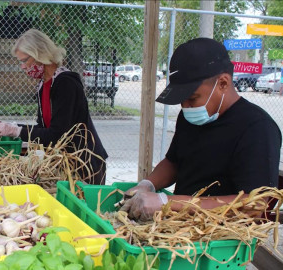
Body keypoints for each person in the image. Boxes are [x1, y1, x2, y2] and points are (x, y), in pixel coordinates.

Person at [121, 38, 282, 221]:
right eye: (181, 100)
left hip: (221, 238)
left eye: (192, 98)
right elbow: (173, 162)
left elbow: (254, 204)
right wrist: (147, 184)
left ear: (223, 83)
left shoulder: (257, 128)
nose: (186, 106)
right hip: (177, 228)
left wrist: (168, 203)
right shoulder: (189, 116)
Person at [0, 29, 108, 184]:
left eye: (25, 60)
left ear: (40, 55)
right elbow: (43, 128)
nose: (22, 66)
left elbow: (57, 134)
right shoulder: (44, 85)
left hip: (84, 166)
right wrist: (12, 127)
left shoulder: (65, 84)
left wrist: (16, 131)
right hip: (64, 164)